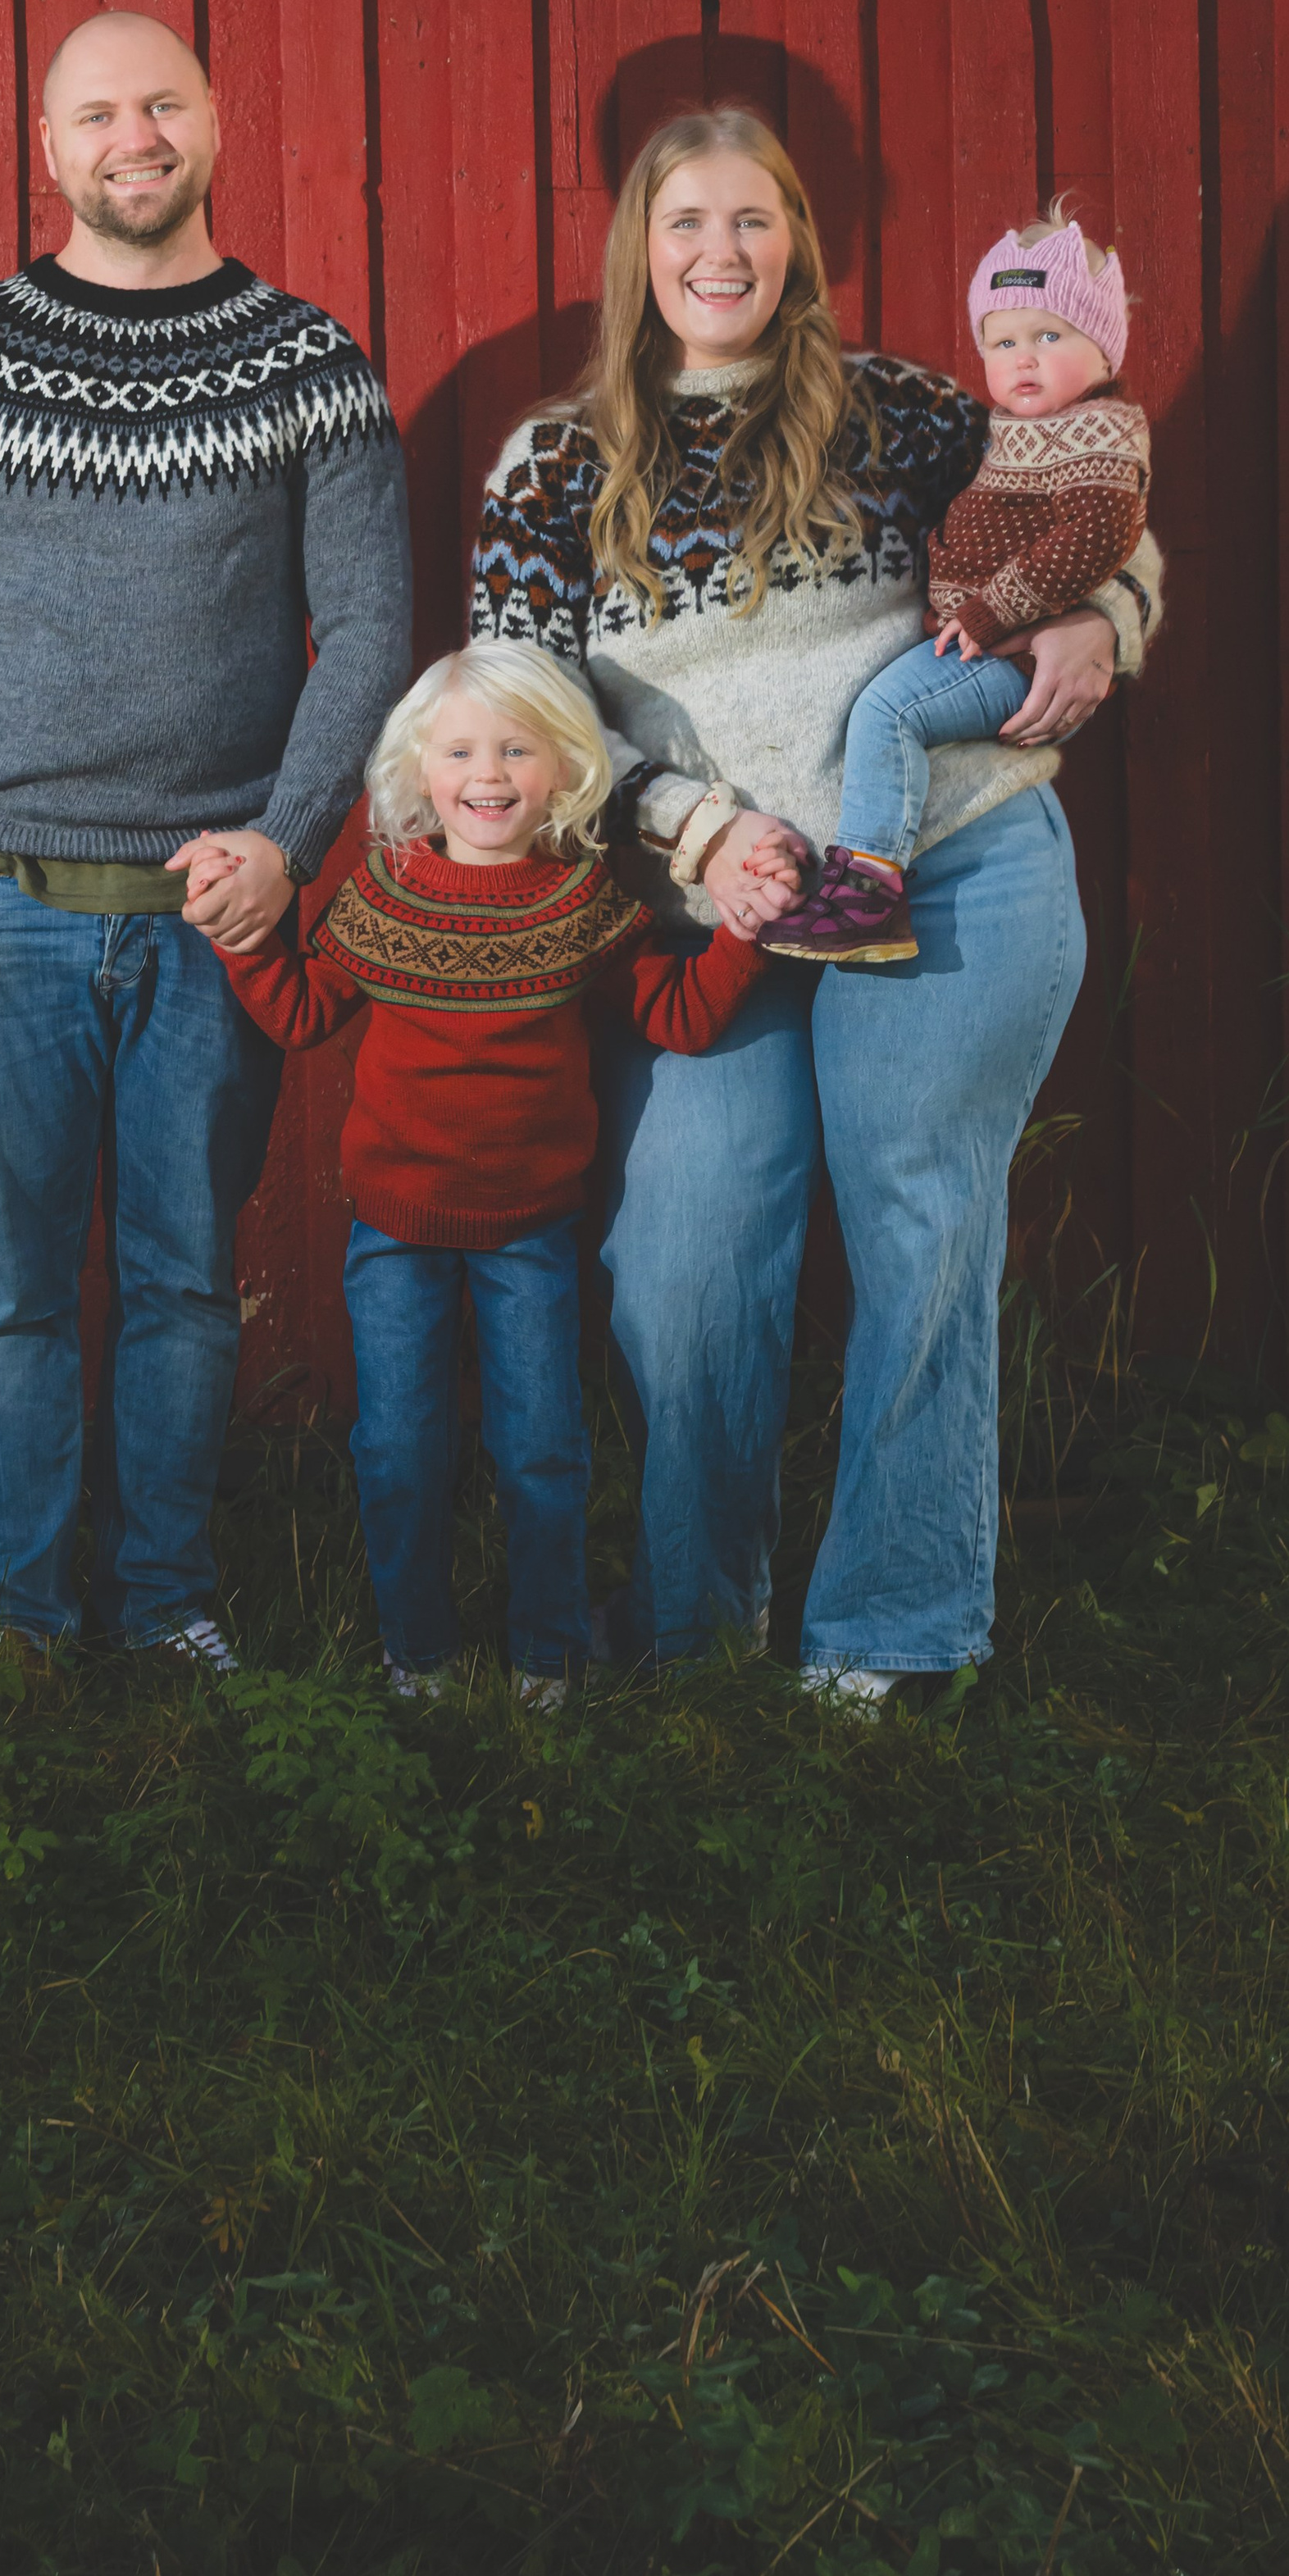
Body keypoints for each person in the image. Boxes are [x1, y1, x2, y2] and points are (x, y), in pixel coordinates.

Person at [469, 107, 1162, 1700]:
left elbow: (1089, 489)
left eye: (753, 223)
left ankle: (893, 1637)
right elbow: (523, 714)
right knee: (684, 1263)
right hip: (712, 921)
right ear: (636, 253)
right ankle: (696, 1636)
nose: (720, 255)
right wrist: (692, 829)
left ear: (798, 245)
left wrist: (1102, 623)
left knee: (919, 1226)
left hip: (947, 863)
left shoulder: (898, 410)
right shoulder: (553, 463)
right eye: (686, 224)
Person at [0, 11, 412, 1665]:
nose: (132, 139)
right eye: (96, 114)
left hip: (209, 908)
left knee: (179, 1282)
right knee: (5, 1289)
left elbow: (368, 632)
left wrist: (288, 845)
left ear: (215, 120)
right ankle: (13, 1618)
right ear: (47, 141)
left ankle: (168, 1612)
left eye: (160, 104)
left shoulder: (313, 365)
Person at [194, 645, 764, 1699]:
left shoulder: (577, 902)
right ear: (420, 772)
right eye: (459, 750)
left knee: (542, 1454)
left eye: (516, 749)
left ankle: (545, 1657)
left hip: (530, 1231)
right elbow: (305, 1012)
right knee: (401, 1453)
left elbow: (675, 1017)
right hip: (395, 1232)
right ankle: (418, 1655)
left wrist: (745, 934)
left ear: (564, 769)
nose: (487, 772)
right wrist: (243, 936)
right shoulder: (385, 895)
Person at [763, 206, 1150, 965]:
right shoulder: (1016, 428)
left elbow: (1106, 535)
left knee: (889, 710)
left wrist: (1074, 615)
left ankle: (867, 886)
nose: (1023, 360)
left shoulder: (1099, 430)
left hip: (1006, 652)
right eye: (1003, 342)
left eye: (1050, 336)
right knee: (891, 707)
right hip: (981, 636)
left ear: (1104, 348)